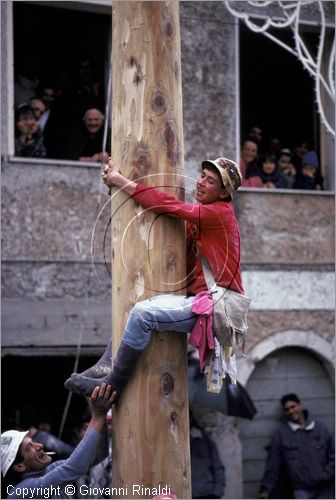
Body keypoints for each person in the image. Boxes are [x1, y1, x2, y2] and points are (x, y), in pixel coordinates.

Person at [65, 156, 245, 399]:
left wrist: (119, 180)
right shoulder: (206, 216)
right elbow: (164, 217)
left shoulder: (218, 214)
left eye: (210, 181)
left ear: (224, 193)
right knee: (134, 306)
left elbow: (165, 204)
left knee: (141, 314)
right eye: (202, 175)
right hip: (205, 300)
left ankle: (113, 383)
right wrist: (120, 195)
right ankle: (107, 363)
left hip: (217, 307)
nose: (201, 182)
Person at [1, 384, 115, 499]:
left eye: (33, 442)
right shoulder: (20, 493)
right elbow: (73, 468)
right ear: (19, 466)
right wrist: (98, 415)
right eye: (29, 447)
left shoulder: (47, 471)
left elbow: (97, 455)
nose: (40, 445)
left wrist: (102, 414)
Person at [258, 393, 335, 499]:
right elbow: (273, 464)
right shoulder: (281, 435)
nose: (291, 411)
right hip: (301, 490)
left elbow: (333, 456)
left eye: (293, 407)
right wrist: (265, 489)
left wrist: (326, 475)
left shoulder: (320, 429)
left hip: (325, 490)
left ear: (300, 405)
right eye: (287, 409)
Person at [190, 414, 225, 499]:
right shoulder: (179, 447)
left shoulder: (208, 444)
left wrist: (216, 493)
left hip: (207, 494)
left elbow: (218, 469)